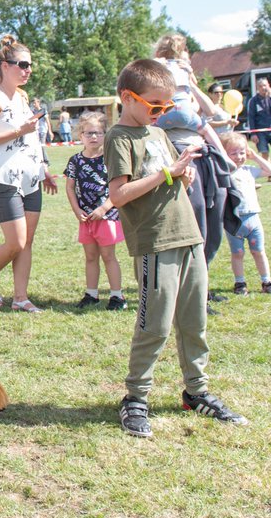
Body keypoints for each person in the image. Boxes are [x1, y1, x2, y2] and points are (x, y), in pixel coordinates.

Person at [106, 59, 248, 438]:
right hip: (155, 241)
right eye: (155, 106)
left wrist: (183, 175)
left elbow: (173, 185)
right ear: (127, 98)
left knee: (194, 321)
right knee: (154, 325)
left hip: (189, 237)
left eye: (166, 107)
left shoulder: (157, 134)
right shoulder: (119, 137)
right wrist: (167, 173)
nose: (161, 113)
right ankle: (135, 398)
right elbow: (118, 194)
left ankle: (196, 391)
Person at [0, 35, 58, 313]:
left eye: (30, 65)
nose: (28, 70)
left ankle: (20, 297)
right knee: (16, 241)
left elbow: (32, 137)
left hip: (29, 176)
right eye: (22, 64)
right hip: (0, 176)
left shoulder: (23, 97)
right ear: (4, 66)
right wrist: (20, 131)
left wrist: (43, 168)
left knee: (27, 241)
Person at [64, 111, 126, 310]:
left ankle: (117, 296)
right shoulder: (75, 161)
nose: (93, 137)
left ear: (105, 134)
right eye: (88, 133)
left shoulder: (111, 158)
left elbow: (119, 187)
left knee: (109, 256)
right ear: (80, 135)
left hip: (107, 216)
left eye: (98, 133)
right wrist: (76, 211)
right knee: (90, 257)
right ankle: (91, 293)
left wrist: (105, 208)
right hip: (86, 218)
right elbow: (70, 187)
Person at [219, 133, 271, 295]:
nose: (239, 157)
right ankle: (240, 282)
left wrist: (255, 157)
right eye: (233, 153)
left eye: (242, 152)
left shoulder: (249, 170)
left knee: (258, 251)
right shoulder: (224, 173)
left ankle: (266, 281)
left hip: (253, 218)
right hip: (234, 221)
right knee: (237, 253)